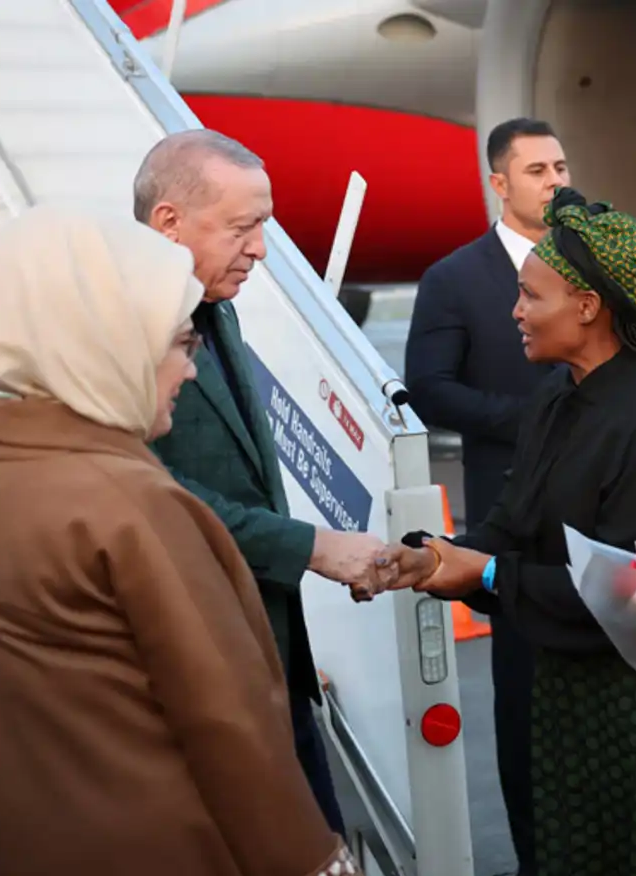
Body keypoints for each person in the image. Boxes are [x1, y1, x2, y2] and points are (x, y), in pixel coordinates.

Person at [0, 207, 363, 876]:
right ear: (108, 345)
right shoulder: (132, 503)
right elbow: (227, 721)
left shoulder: (6, 468)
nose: (189, 371)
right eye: (180, 344)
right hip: (160, 865)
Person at [368, 187, 636, 876]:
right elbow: (515, 524)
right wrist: (437, 557)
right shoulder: (559, 395)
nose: (515, 311)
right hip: (568, 698)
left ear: (587, 306)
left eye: (531, 296)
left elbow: (635, 594)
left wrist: (489, 574)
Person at [134, 129, 388, 834]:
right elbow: (149, 490)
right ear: (168, 222)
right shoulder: (125, 330)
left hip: (266, 656)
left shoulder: (216, 308)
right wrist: (312, 547)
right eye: (242, 228)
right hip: (200, 673)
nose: (261, 249)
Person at [404, 117, 570, 876]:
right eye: (537, 170)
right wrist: (529, 419)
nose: (556, 181)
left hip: (600, 500)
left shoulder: (590, 260)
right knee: (526, 693)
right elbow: (430, 387)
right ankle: (537, 865)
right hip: (511, 503)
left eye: (561, 166)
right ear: (498, 183)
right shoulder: (455, 278)